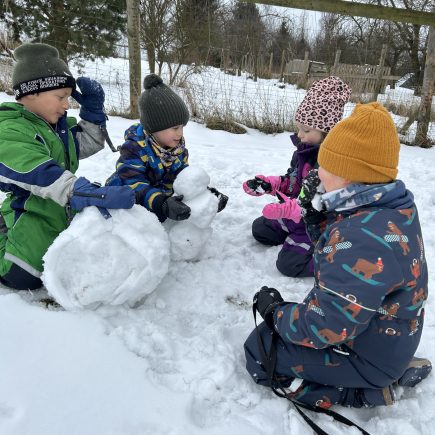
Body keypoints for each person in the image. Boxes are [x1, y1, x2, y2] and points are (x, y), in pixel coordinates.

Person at [244, 102, 432, 408]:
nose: (317, 172)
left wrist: (275, 314)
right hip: (390, 339)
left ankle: (364, 391)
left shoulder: (358, 236)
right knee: (299, 314)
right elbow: (338, 265)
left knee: (261, 347)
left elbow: (324, 327)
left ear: (346, 175)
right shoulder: (391, 209)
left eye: (324, 165)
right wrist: (315, 220)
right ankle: (386, 370)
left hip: (363, 353)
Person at [0, 43, 135, 291]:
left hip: (56, 209)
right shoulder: (9, 129)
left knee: (69, 260)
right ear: (31, 93)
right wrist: (78, 191)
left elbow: (87, 143)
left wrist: (93, 113)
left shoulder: (57, 126)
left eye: (68, 98)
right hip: (30, 207)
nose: (66, 105)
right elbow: (37, 170)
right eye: (61, 97)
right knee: (23, 274)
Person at [243, 77, 351, 278]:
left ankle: (331, 259)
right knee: (260, 229)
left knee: (289, 265)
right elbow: (294, 182)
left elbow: (320, 204)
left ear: (327, 132)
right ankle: (293, 234)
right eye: (299, 128)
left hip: (317, 225)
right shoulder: (303, 152)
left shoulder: (334, 164)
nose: (299, 135)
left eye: (306, 130)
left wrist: (288, 209)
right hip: (295, 217)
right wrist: (268, 184)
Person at [106, 73, 228, 221]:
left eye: (182, 127)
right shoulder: (134, 149)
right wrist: (161, 203)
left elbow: (184, 179)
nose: (180, 133)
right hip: (137, 202)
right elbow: (135, 184)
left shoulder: (177, 149)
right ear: (154, 127)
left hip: (162, 200)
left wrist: (206, 194)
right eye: (175, 128)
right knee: (119, 185)